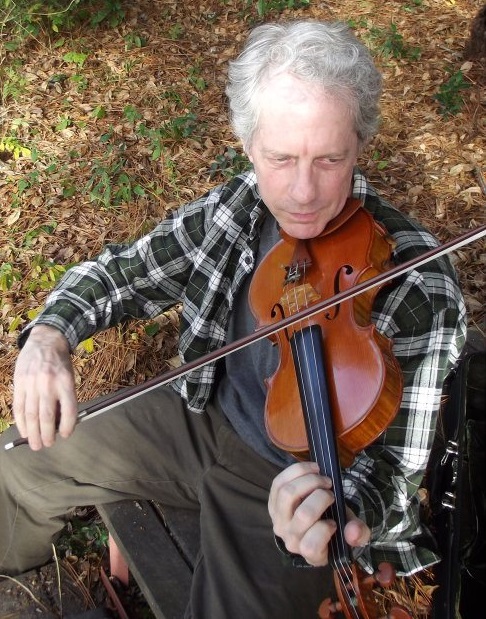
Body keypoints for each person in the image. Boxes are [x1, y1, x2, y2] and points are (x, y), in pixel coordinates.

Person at [0, 20, 466, 618]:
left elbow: (395, 477)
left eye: (330, 159)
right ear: (248, 145)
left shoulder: (415, 282)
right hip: (202, 413)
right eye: (280, 158)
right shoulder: (239, 206)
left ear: (359, 146)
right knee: (19, 462)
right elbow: (124, 273)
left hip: (295, 485)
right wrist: (48, 334)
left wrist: (343, 509)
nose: (302, 191)